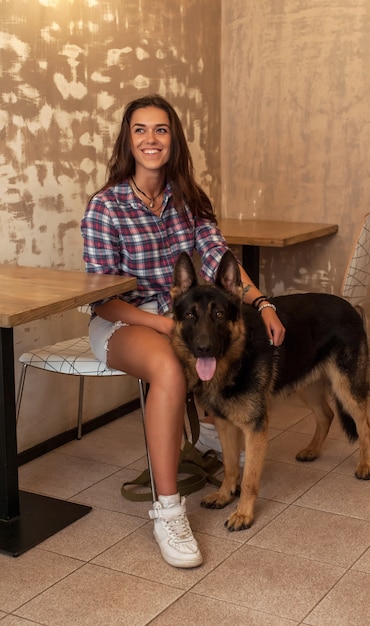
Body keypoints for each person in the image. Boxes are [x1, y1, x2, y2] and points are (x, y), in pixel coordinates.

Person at [80, 94, 285, 569]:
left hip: (184, 320)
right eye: (140, 130)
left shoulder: (189, 199)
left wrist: (263, 303)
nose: (151, 139)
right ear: (127, 141)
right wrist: (164, 322)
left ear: (173, 140)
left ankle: (210, 431)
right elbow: (100, 297)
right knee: (173, 367)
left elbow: (218, 259)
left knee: (224, 342)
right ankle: (168, 512)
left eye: (161, 130)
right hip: (123, 321)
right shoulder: (105, 207)